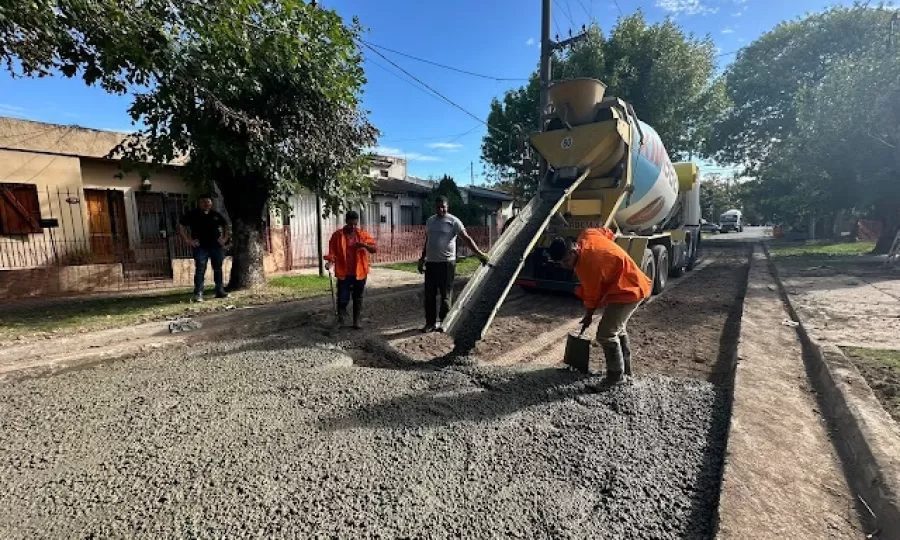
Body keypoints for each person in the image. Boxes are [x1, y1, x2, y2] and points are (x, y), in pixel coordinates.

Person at [548, 228, 652, 384]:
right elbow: (606, 231)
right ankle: (626, 370)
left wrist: (588, 316)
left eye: (565, 261)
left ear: (573, 252)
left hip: (629, 290)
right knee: (618, 328)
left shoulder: (588, 266)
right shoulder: (587, 234)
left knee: (606, 334)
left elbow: (592, 296)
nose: (564, 266)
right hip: (624, 284)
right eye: (560, 263)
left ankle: (616, 376)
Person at [417, 196, 489, 333]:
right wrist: (422, 259)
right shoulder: (430, 221)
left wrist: (479, 254)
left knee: (445, 295)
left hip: (446, 264)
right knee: (429, 295)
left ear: (447, 206)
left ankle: (444, 323)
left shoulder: (454, 221)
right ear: (435, 207)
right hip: (431, 264)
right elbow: (428, 240)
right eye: (438, 207)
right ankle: (430, 323)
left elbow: (466, 238)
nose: (440, 209)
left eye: (443, 206)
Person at [324, 210, 377, 329]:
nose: (352, 227)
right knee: (343, 297)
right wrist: (330, 262)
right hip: (344, 273)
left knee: (358, 296)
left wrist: (364, 245)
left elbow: (374, 249)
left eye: (355, 224)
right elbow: (333, 252)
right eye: (350, 224)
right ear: (346, 221)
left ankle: (356, 322)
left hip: (360, 272)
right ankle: (341, 320)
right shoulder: (337, 235)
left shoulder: (362, 235)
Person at [178, 195, 230, 302]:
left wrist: (224, 238)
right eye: (204, 202)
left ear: (211, 203)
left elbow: (226, 225)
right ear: (199, 203)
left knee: (218, 269)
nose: (206, 204)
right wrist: (188, 240)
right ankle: (199, 293)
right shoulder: (193, 214)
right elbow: (180, 225)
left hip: (216, 246)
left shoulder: (215, 214)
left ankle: (220, 290)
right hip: (200, 247)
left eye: (208, 202)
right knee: (200, 270)